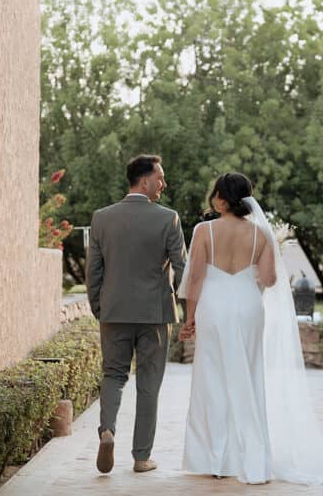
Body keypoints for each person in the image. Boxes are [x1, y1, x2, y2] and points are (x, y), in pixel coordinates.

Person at [178, 173, 323, 485]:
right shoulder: (262, 234)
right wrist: (253, 270)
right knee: (248, 374)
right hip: (247, 306)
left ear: (220, 199)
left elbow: (195, 279)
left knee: (212, 378)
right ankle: (252, 457)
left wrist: (189, 318)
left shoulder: (204, 230)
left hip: (214, 307)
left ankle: (217, 458)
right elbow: (270, 280)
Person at [86, 154, 186, 474]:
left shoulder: (101, 218)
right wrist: (188, 310)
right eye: (160, 178)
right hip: (155, 314)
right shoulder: (168, 218)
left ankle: (106, 430)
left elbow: (94, 272)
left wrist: (100, 308)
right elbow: (182, 268)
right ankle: (142, 457)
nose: (164, 184)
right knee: (148, 383)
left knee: (113, 376)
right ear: (145, 181)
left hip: (113, 311)